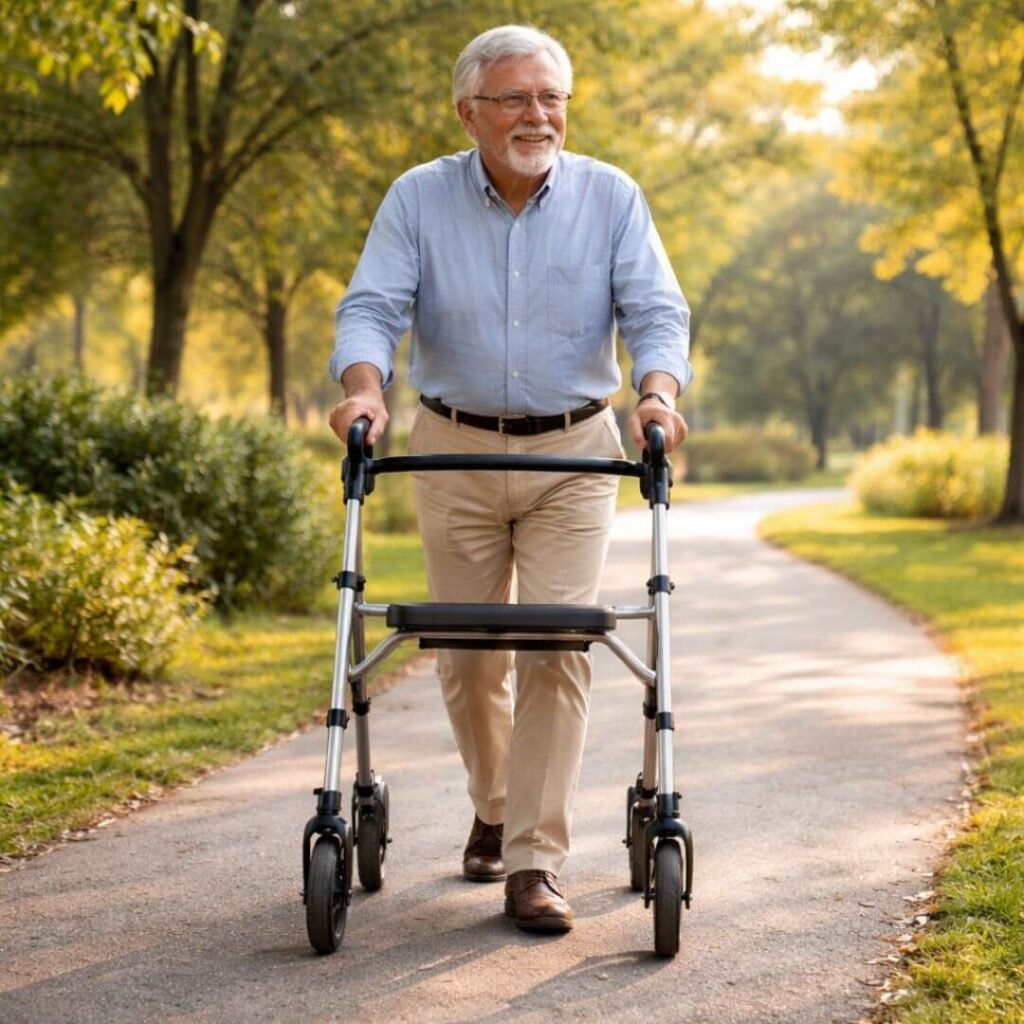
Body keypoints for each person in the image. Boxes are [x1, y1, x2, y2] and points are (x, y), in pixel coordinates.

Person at [328, 24, 692, 934]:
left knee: (557, 646)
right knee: (468, 659)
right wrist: (364, 389)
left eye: (553, 98)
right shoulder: (418, 197)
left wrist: (655, 393)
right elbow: (373, 304)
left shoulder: (612, 198)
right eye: (517, 98)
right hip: (453, 449)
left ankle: (534, 859)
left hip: (575, 452)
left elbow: (654, 308)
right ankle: (495, 802)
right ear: (469, 112)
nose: (540, 115)